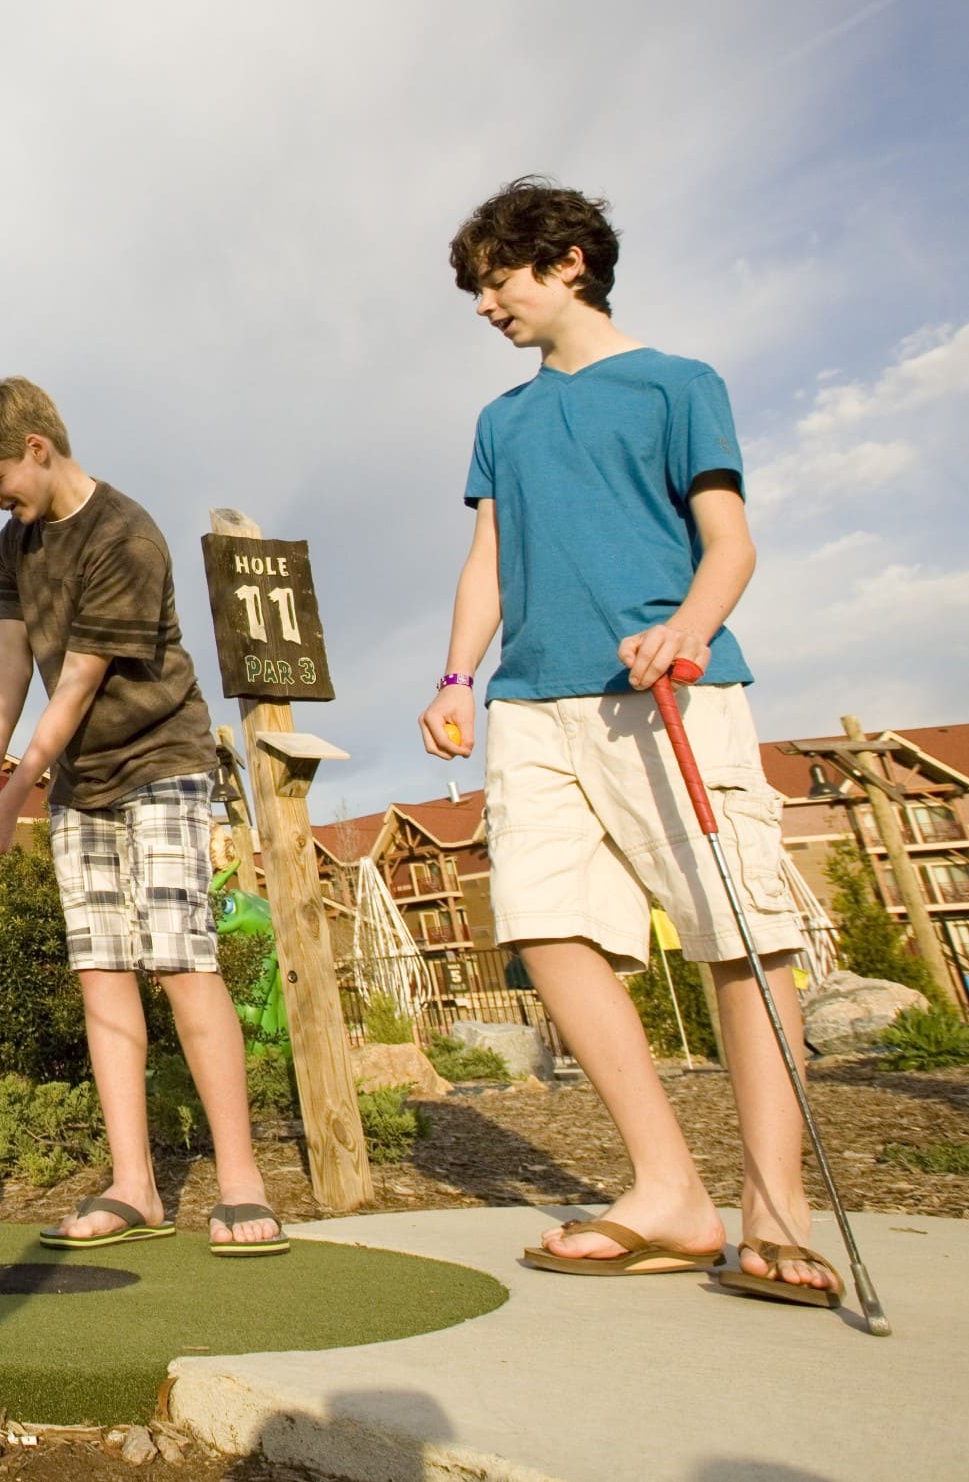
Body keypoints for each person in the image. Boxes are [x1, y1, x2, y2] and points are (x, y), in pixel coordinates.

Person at [418, 176, 840, 1307]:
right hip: (534, 699)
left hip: (669, 689)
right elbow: (487, 561)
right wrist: (459, 675)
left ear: (567, 262)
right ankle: (669, 1191)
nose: (484, 303)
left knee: (736, 934)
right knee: (545, 925)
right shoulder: (501, 421)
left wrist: (689, 629)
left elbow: (730, 540)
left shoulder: (678, 384)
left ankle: (776, 1210)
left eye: (496, 278)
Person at [0, 379, 285, 1254]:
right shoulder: (11, 544)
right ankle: (135, 1184)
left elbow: (81, 678)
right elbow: (12, 655)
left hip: (161, 763)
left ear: (36, 446)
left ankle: (242, 1181)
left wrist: (19, 784)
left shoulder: (126, 534)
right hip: (81, 783)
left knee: (178, 958)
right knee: (101, 967)